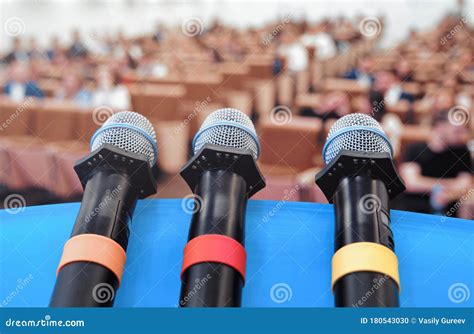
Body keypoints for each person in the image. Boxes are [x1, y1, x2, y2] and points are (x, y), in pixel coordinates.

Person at [398, 111, 472, 215]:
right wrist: (450, 185)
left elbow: (466, 184)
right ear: (440, 127)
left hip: (449, 210)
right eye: (457, 131)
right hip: (413, 207)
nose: (462, 135)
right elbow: (410, 184)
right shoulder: (415, 149)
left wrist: (450, 195)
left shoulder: (462, 151)